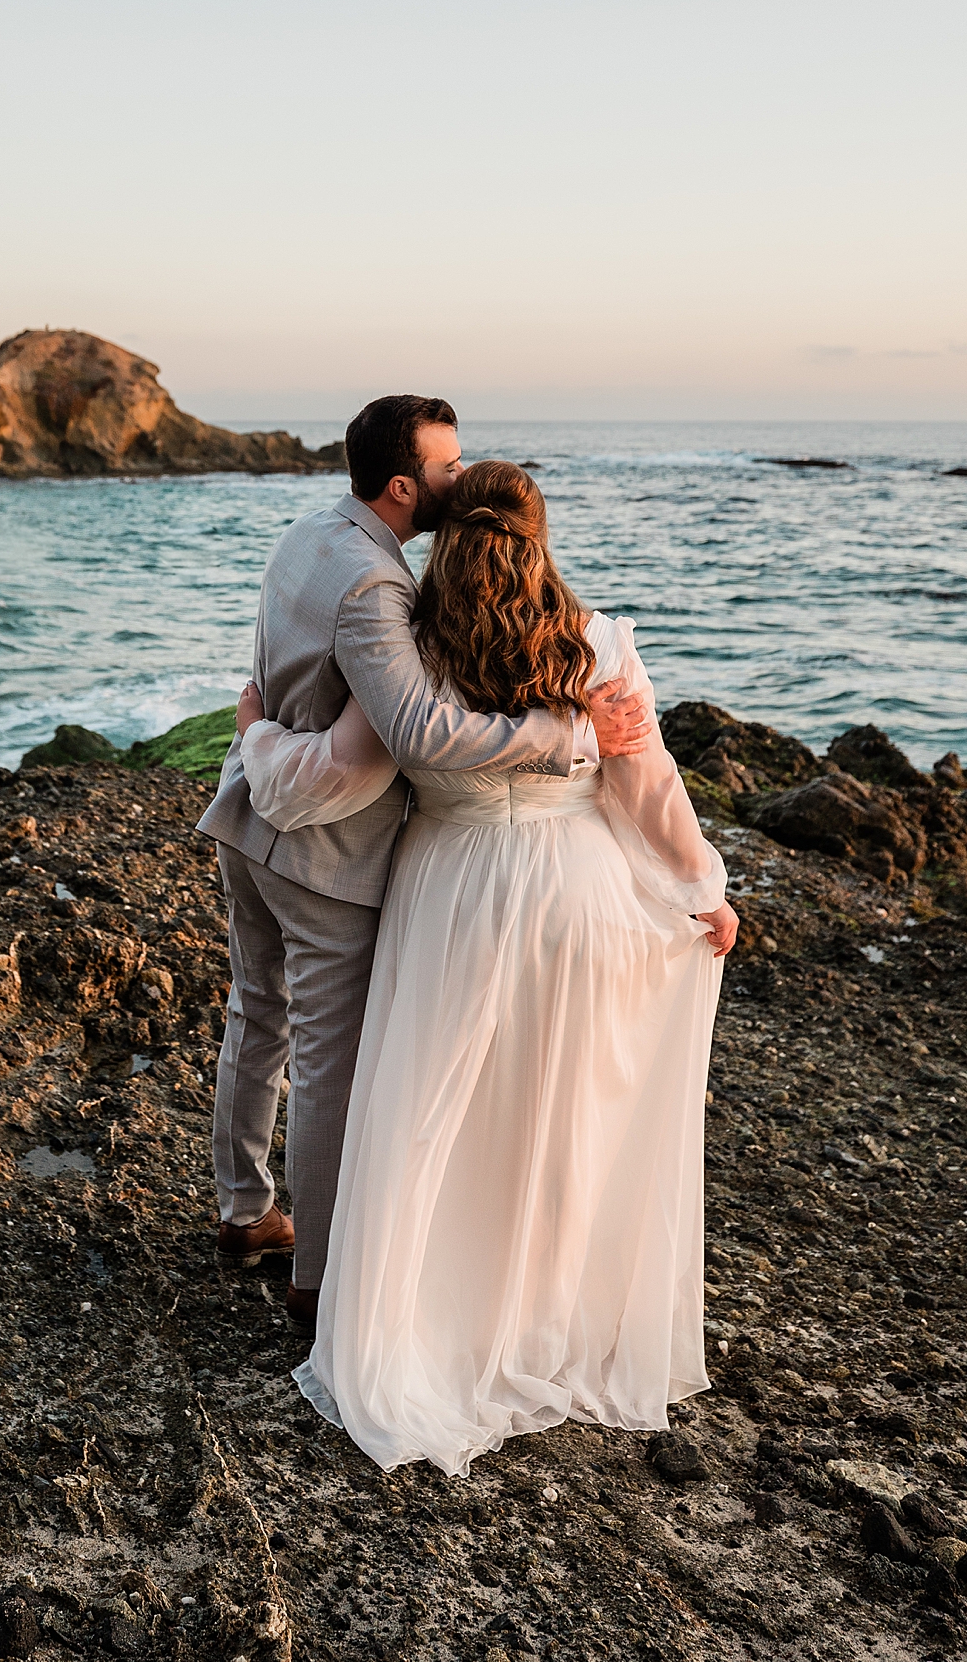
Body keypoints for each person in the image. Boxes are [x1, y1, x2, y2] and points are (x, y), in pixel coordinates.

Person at [234, 459, 737, 1475]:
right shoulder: (595, 643)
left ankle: (440, 1316)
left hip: (451, 892)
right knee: (563, 1107)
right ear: (538, 538)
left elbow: (330, 776)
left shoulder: (410, 654)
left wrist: (252, 737)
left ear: (441, 539)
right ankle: (547, 1317)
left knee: (441, 1111)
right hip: (577, 892)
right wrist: (700, 889)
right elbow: (648, 789)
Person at [196, 400, 652, 1333]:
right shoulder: (378, 589)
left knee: (256, 1008)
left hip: (246, 807)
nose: (461, 476)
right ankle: (316, 1277)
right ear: (403, 487)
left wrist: (256, 734)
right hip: (321, 850)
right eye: (447, 467)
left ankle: (244, 1210)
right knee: (327, 1056)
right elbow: (419, 730)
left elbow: (271, 676)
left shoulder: (306, 533)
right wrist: (566, 729)